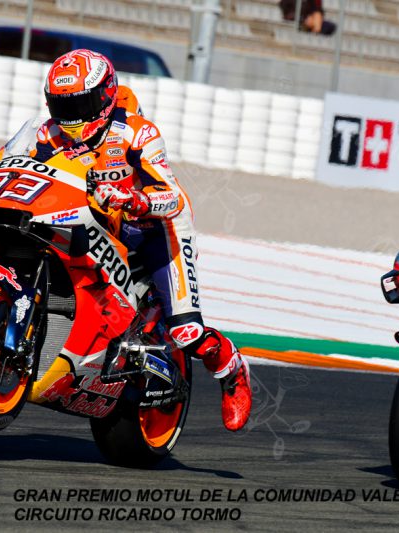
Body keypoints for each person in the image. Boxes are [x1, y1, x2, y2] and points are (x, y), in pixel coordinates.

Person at [30, 49, 252, 431]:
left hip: (156, 230)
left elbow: (173, 198)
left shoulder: (137, 133)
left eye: (80, 105)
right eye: (63, 106)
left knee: (186, 333)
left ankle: (230, 368)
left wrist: (136, 199)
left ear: (104, 96)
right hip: (99, 226)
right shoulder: (47, 134)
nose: (72, 118)